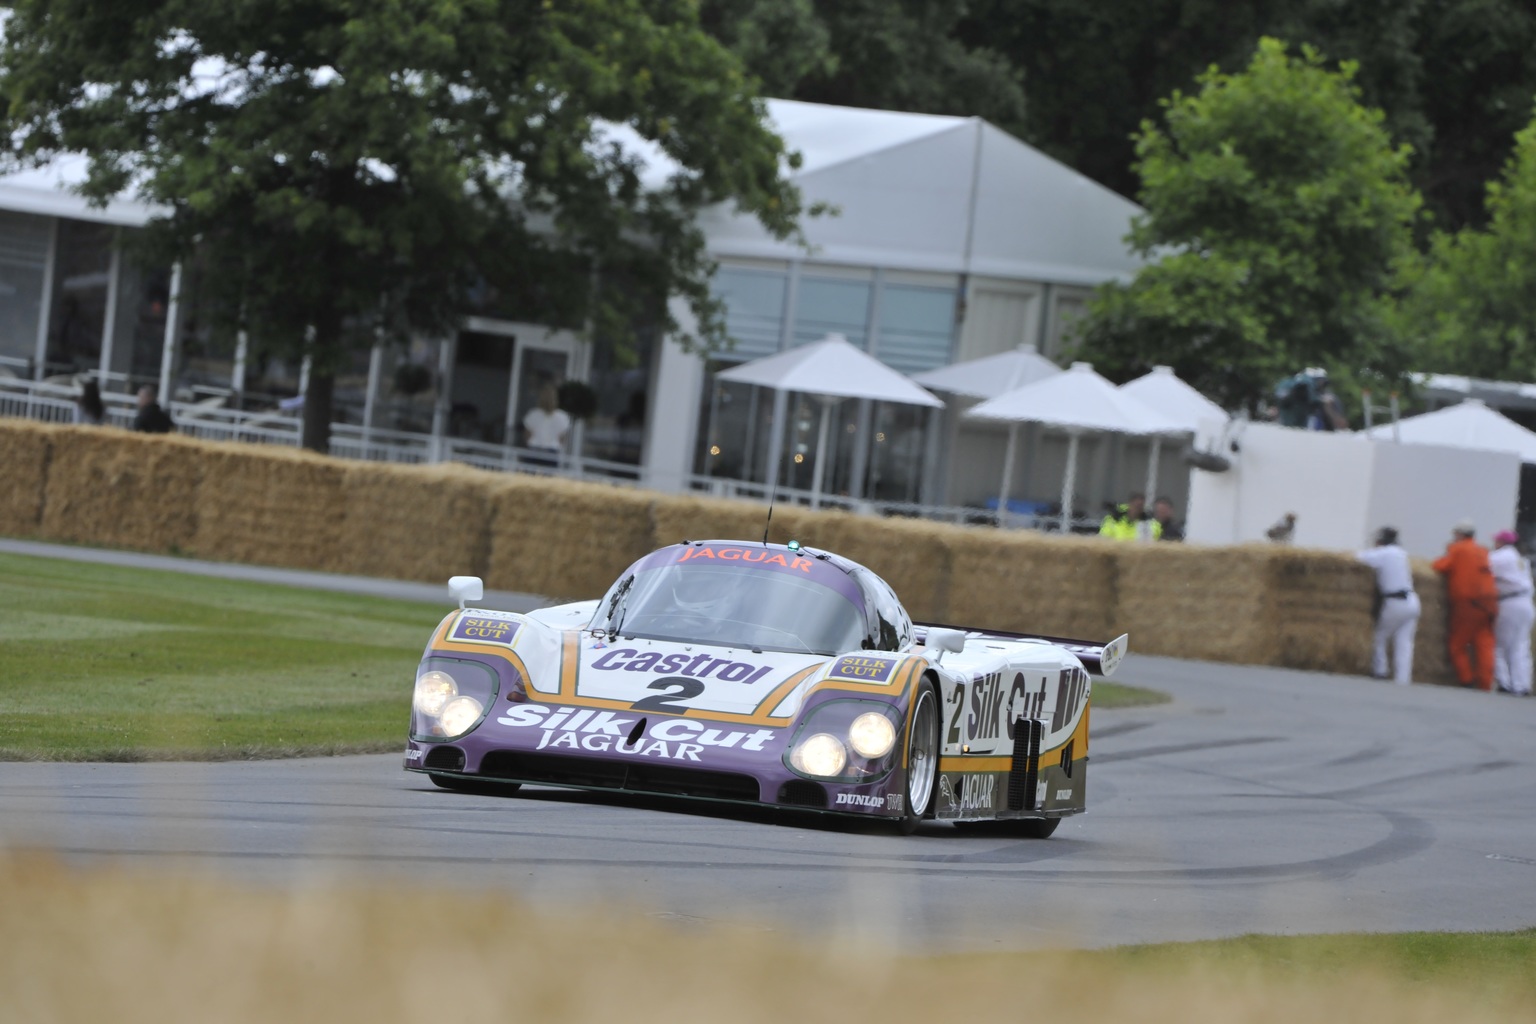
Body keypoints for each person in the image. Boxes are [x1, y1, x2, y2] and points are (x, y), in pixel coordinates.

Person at [1432, 519, 1499, 691]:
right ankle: (1485, 684)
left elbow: (1440, 566)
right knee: (1484, 643)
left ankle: (1466, 680)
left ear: (1460, 534)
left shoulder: (1458, 549)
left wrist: (1446, 553)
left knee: (1457, 644)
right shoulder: (1483, 550)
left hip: (1468, 604)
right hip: (1489, 603)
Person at [1355, 526, 1419, 685]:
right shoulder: (1401, 553)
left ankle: (1380, 671)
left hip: (1395, 601)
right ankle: (1403, 680)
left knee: (1379, 636)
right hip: (1412, 601)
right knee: (1404, 643)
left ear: (1380, 541)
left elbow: (1358, 558)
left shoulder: (1384, 553)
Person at [1489, 529, 1533, 696]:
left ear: (1501, 542)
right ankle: (1522, 684)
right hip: (1526, 602)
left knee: (1500, 644)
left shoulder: (1501, 556)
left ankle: (1504, 682)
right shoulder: (1520, 558)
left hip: (1510, 602)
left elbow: (1482, 567)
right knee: (1520, 646)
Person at [521, 382, 570, 468]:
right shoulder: (562, 417)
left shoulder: (533, 414)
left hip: (534, 451)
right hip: (551, 453)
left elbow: (527, 435)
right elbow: (562, 438)